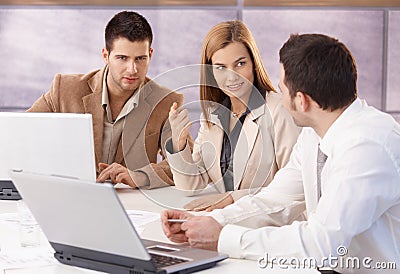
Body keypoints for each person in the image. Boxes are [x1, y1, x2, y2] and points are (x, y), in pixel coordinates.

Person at [161, 33, 400, 273]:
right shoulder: (314, 133)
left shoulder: (368, 147)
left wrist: (223, 237)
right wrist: (210, 222)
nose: (279, 98)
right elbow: (275, 200)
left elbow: (320, 246)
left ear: (302, 100)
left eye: (282, 88)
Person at [28, 11, 184, 189]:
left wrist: (139, 176)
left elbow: (186, 165)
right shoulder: (64, 89)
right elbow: (21, 134)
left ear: (150, 54)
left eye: (140, 59)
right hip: (70, 195)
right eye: (122, 58)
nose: (132, 69)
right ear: (105, 55)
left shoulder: (165, 102)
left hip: (132, 206)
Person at [165, 21, 300, 211]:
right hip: (223, 221)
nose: (232, 77)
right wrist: (179, 144)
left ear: (254, 63)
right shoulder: (213, 114)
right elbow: (191, 185)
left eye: (240, 64)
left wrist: (232, 199)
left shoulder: (279, 110)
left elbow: (294, 187)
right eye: (220, 67)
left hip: (266, 224)